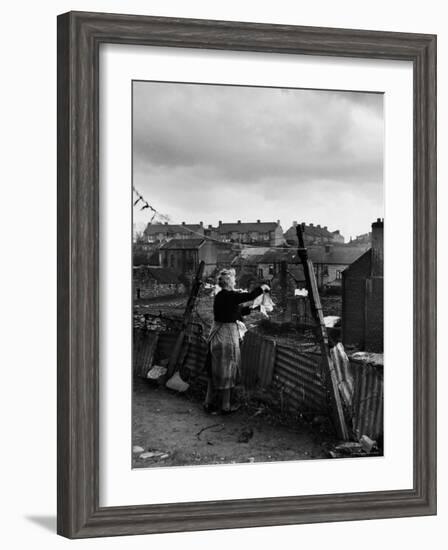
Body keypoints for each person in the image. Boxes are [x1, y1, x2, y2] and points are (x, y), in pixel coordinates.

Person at [204, 268, 270, 414]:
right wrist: (263, 288)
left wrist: (255, 308)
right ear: (228, 282)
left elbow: (236, 312)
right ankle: (226, 406)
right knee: (228, 369)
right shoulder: (230, 295)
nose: (235, 281)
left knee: (213, 370)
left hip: (216, 336)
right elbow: (250, 295)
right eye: (233, 279)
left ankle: (208, 403)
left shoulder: (221, 296)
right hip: (226, 338)